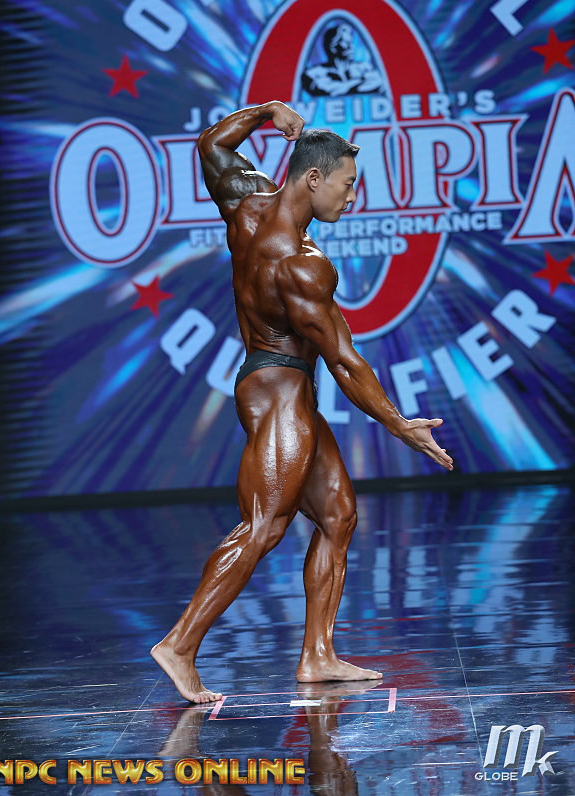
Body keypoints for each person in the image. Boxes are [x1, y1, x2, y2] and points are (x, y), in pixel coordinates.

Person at [151, 101, 453, 704]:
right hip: (280, 389)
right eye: (347, 184)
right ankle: (179, 644)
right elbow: (343, 361)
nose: (352, 197)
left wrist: (267, 112)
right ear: (313, 178)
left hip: (279, 386)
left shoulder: (247, 205)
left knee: (337, 515)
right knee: (264, 525)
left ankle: (317, 655)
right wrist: (400, 426)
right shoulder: (303, 266)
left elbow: (211, 145)